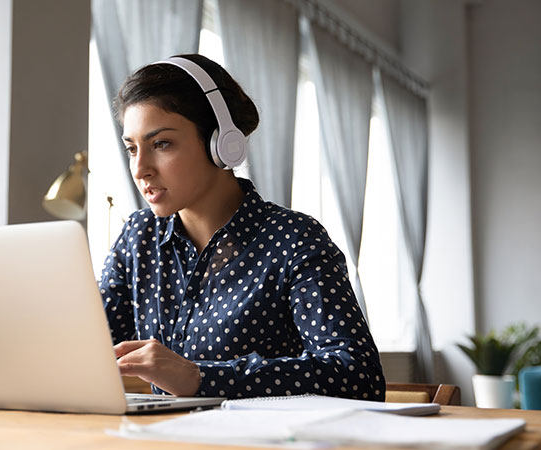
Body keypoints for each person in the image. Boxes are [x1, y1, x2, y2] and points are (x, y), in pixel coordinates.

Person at [101, 54, 385, 400]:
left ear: (221, 144)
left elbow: (358, 375)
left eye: (161, 144)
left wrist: (198, 377)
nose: (140, 168)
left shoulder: (294, 240)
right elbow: (90, 345)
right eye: (132, 149)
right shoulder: (138, 236)